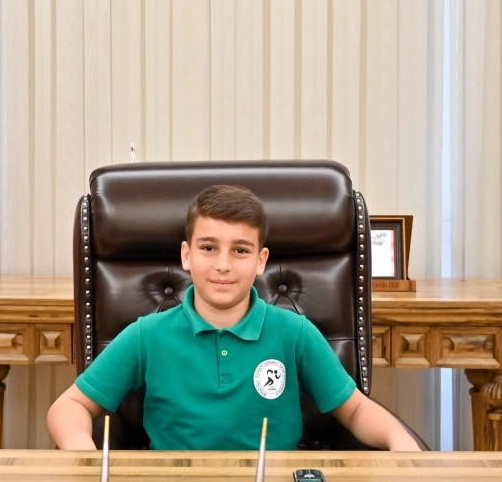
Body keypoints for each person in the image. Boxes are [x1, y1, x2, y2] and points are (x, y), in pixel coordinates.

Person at [47, 184, 419, 451]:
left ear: (261, 260)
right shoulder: (147, 335)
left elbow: (355, 410)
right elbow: (69, 406)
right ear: (186, 255)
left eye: (240, 250)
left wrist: (400, 443)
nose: (223, 265)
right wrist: (82, 453)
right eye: (208, 248)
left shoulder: (294, 333)